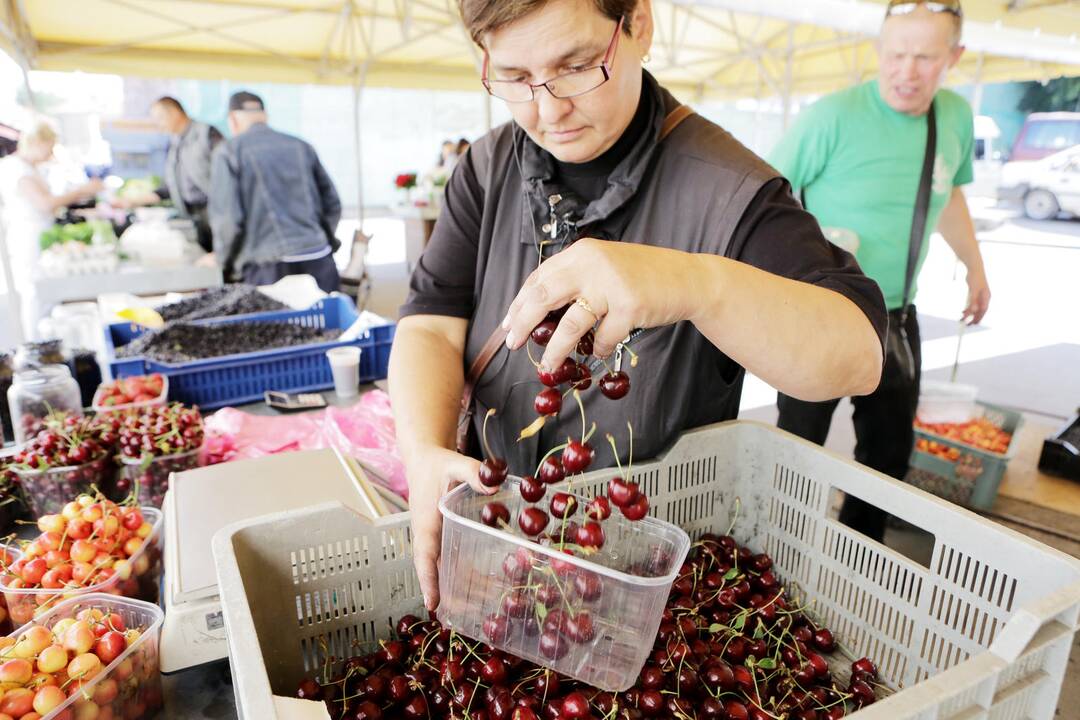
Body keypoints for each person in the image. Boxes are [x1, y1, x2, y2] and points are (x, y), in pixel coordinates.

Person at [388, 0, 890, 612]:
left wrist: (697, 282)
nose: (547, 111)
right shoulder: (489, 167)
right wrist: (421, 452)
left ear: (639, 25)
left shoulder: (729, 188)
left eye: (575, 66)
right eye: (515, 79)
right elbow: (431, 326)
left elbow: (858, 354)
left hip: (652, 575)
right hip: (499, 547)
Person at [769, 0, 991, 542]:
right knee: (797, 448)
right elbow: (762, 196)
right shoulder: (831, 116)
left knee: (888, 456)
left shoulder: (955, 118)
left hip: (896, 313)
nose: (906, 72)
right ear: (878, 50)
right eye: (895, 55)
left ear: (954, 57)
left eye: (924, 58)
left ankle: (857, 554)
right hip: (818, 314)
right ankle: (776, 550)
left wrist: (975, 267)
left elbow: (949, 195)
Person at [208, 91, 342, 292]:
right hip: (317, 256)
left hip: (267, 267)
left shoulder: (228, 152)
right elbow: (332, 203)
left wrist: (222, 259)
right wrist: (321, 238)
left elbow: (228, 220)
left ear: (233, 120)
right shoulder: (301, 146)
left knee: (275, 323)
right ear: (265, 116)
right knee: (329, 320)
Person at [0, 122, 102, 340]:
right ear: (38, 142)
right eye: (50, 146)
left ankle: (44, 343)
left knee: (42, 293)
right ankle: (36, 345)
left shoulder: (28, 167)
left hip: (37, 235)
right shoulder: (18, 168)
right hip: (29, 238)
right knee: (37, 295)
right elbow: (45, 204)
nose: (51, 152)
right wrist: (81, 191)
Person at [114, 96, 222, 252]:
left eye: (159, 118)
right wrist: (132, 201)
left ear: (174, 113)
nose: (158, 125)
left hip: (216, 214)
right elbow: (169, 188)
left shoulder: (207, 134)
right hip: (195, 219)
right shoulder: (174, 143)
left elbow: (228, 177)